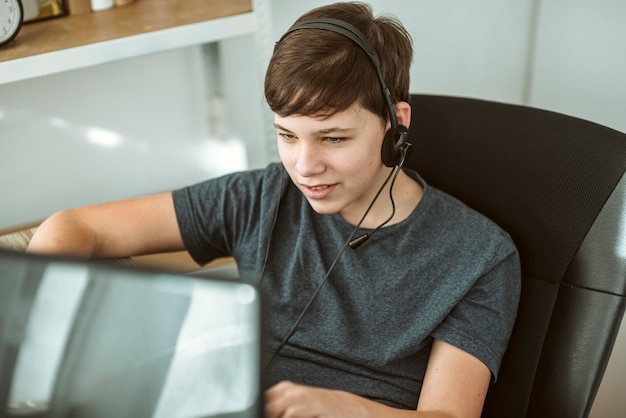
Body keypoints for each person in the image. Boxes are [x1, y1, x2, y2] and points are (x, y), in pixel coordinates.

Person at [27, 2, 520, 417]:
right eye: (288, 135)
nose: (305, 167)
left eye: (333, 138)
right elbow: (74, 228)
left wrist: (348, 409)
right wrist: (32, 332)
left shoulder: (479, 255)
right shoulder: (262, 197)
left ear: (396, 125)